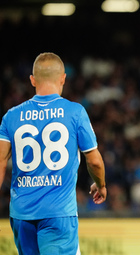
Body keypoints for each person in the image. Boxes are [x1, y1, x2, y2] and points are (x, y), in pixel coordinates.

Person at [0, 52, 107, 255]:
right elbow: (94, 162)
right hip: (58, 214)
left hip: (21, 215)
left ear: (32, 80)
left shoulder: (11, 116)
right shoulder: (75, 112)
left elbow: (0, 162)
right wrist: (100, 185)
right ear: (63, 78)